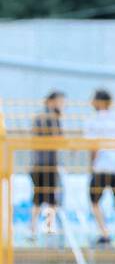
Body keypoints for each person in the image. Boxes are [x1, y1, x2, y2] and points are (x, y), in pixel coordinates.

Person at [84, 89, 115, 247]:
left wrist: (91, 166)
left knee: (94, 201)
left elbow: (93, 147)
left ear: (100, 102)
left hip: (103, 167)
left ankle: (105, 233)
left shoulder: (93, 121)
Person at [29, 90, 64, 243]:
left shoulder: (51, 117)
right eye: (59, 101)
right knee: (41, 198)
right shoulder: (45, 117)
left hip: (46, 164)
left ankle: (43, 228)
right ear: (51, 101)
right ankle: (35, 228)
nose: (62, 105)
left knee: (48, 199)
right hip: (44, 164)